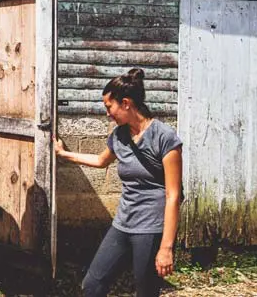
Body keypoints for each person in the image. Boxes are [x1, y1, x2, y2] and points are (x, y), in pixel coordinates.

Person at [55, 68, 183, 297]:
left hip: (151, 226)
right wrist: (65, 155)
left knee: (145, 291)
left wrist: (166, 247)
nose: (107, 114)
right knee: (92, 285)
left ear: (125, 103)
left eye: (108, 107)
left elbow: (173, 196)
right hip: (123, 222)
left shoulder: (164, 137)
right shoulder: (119, 136)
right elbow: (100, 160)